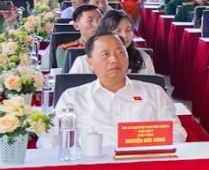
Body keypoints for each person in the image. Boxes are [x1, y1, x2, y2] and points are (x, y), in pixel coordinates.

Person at [52, 30, 186, 145]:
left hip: (142, 165)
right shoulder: (73, 97)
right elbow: (51, 137)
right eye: (105, 54)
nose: (114, 60)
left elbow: (177, 133)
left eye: (120, 52)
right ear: (90, 63)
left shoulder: (155, 92)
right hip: (90, 168)